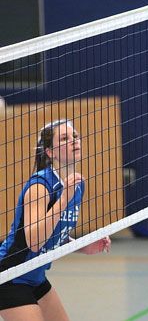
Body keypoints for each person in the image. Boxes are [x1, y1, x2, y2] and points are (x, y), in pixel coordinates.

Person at [0, 119, 111, 321]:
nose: (73, 141)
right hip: (10, 275)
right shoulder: (40, 187)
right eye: (64, 138)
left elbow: (55, 232)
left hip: (35, 276)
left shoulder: (76, 185)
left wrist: (80, 245)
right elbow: (35, 242)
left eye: (75, 136)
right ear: (50, 152)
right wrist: (64, 198)